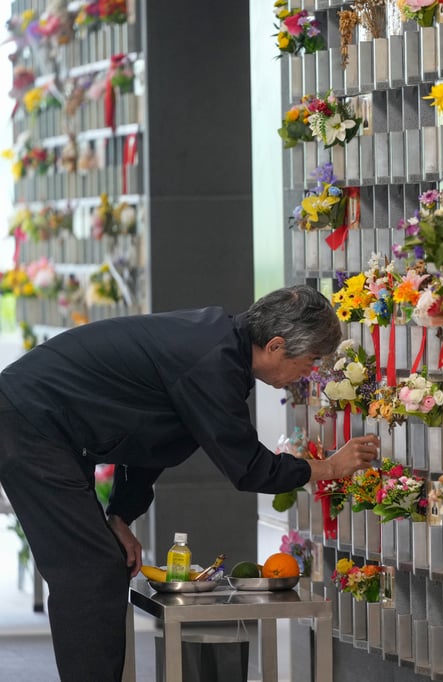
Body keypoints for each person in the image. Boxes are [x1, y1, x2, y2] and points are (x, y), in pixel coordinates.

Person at [0, 285, 380, 681]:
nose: (310, 373)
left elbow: (148, 443)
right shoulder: (211, 362)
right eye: (311, 360)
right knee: (90, 571)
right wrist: (329, 468)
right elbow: (248, 467)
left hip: (41, 425)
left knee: (100, 564)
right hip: (29, 424)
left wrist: (120, 517)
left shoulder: (218, 346)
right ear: (276, 345)